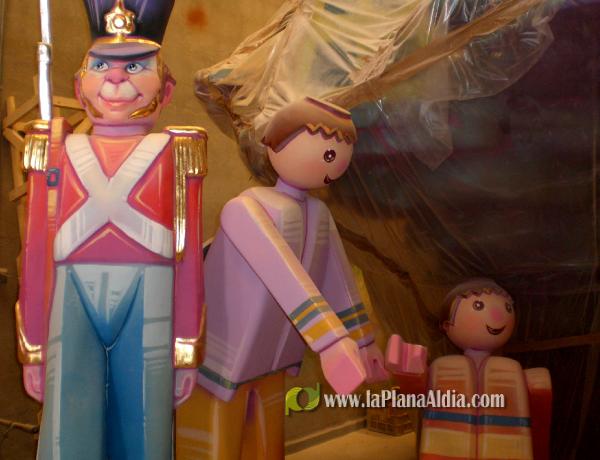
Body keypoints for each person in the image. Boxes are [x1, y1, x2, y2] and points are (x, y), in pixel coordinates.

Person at [16, 1, 206, 458]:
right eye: (101, 65)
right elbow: (37, 250)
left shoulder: (179, 150)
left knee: (145, 431)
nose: (116, 77)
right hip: (70, 296)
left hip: (150, 295)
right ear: (79, 84)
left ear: (166, 88)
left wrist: (185, 349)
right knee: (67, 434)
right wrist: (34, 347)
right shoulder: (54, 148)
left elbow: (188, 257)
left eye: (136, 66)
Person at [176, 97, 388, 459]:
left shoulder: (319, 214)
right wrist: (332, 340)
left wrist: (363, 341)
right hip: (219, 363)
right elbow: (284, 276)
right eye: (327, 150)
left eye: (342, 152)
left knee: (267, 444)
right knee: (213, 444)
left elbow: (338, 282)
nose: (336, 161)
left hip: (272, 361)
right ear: (274, 145)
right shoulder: (244, 209)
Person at [386, 278, 552, 460]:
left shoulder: (512, 370)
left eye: (507, 308)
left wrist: (537, 387)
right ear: (446, 325)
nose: (497, 315)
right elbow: (417, 394)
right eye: (478, 306)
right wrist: (409, 374)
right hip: (447, 449)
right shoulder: (442, 368)